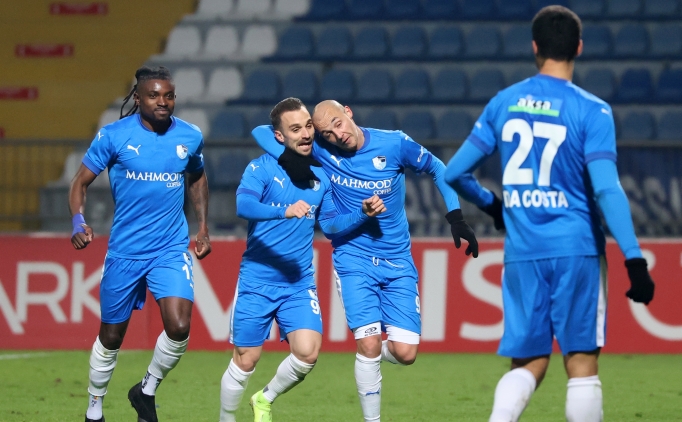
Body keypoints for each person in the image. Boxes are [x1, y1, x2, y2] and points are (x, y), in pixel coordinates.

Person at [443, 6, 656, 422]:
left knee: (528, 361)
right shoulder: (592, 110)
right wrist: (634, 258)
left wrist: (493, 206)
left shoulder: (504, 102)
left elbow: (454, 173)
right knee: (581, 360)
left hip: (523, 251)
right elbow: (606, 189)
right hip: (577, 249)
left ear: (535, 47)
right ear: (579, 47)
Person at [251, 100, 478, 422]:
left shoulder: (394, 143)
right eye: (327, 133)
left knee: (405, 353)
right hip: (353, 259)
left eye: (338, 123)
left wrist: (455, 216)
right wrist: (361, 213)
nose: (337, 135)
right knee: (369, 345)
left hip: (397, 259)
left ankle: (364, 357)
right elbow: (329, 227)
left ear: (348, 112)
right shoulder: (320, 153)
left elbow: (438, 168)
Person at [219, 97, 386, 422]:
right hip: (257, 280)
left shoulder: (321, 174)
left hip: (298, 283)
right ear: (279, 136)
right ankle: (226, 419)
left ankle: (264, 399)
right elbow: (243, 206)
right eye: (295, 129)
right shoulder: (262, 167)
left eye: (308, 126)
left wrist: (361, 214)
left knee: (308, 352)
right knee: (246, 359)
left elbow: (330, 225)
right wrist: (283, 210)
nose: (306, 133)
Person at [70, 66, 211, 422]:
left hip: (170, 249)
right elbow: (80, 182)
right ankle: (94, 408)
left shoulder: (190, 135)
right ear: (138, 97)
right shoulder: (114, 136)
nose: (163, 102)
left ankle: (145, 390)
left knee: (179, 327)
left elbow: (197, 178)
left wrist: (202, 227)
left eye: (169, 96)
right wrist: (78, 221)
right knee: (111, 336)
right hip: (125, 252)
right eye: (154, 95)